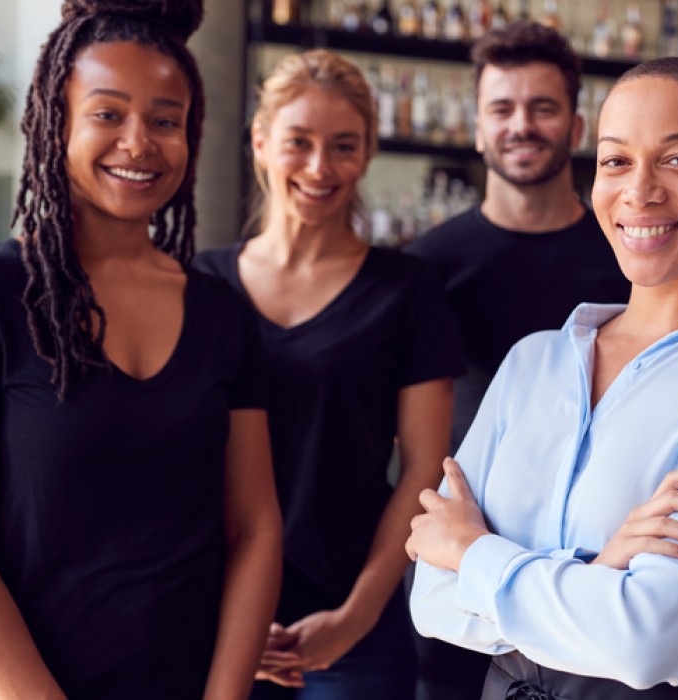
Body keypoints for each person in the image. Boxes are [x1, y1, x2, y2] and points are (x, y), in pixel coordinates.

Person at [405, 57, 678, 698]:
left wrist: (472, 554)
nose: (640, 191)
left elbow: (641, 642)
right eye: (615, 160)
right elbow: (432, 602)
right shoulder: (533, 362)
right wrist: (601, 572)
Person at [0, 1, 283, 698]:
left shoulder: (222, 313)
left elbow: (256, 528)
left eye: (165, 120)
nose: (139, 142)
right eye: (108, 114)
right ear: (55, 122)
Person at [193, 49, 463, 697]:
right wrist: (222, 618)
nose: (320, 167)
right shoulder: (198, 285)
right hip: (212, 615)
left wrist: (355, 617)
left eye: (344, 146)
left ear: (367, 153)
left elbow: (424, 469)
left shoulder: (407, 290)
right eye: (299, 143)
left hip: (354, 628)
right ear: (260, 142)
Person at [402, 21, 629, 697]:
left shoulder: (625, 258)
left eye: (543, 107)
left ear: (577, 125)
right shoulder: (426, 267)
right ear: (476, 127)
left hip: (591, 569)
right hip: (453, 565)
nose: (521, 125)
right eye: (502, 109)